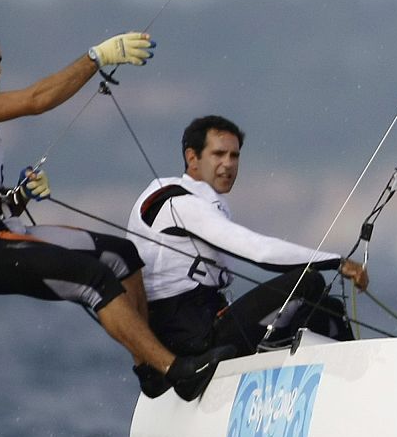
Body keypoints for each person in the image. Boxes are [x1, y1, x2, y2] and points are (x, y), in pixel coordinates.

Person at [0, 27, 225, 401]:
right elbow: (35, 100)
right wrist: (96, 58)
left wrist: (20, 196)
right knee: (94, 279)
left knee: (122, 255)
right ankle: (177, 371)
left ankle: (151, 370)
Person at [125, 115, 369, 383]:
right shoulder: (183, 204)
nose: (228, 164)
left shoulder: (168, 194)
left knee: (328, 308)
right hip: (195, 344)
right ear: (192, 158)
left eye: (234, 156)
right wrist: (336, 262)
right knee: (309, 283)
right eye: (218, 154)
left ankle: (337, 377)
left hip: (186, 335)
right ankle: (351, 380)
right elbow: (260, 252)